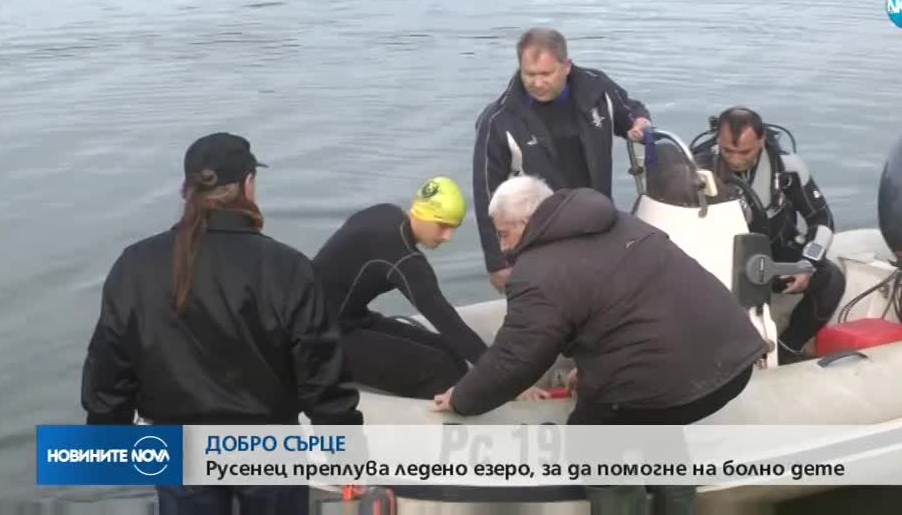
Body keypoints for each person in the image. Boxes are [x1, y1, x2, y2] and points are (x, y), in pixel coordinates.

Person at [433, 176, 768, 513]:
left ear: (526, 222)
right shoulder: (622, 222)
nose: (503, 247)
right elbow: (624, 309)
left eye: (504, 234)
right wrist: (594, 367)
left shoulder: (536, 272)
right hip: (732, 357)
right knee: (659, 425)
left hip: (668, 381)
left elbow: (516, 359)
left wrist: (462, 398)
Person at [81, 132, 362, 515]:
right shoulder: (287, 267)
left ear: (187, 190)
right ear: (248, 184)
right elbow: (322, 371)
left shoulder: (136, 265)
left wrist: (107, 434)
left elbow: (110, 363)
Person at [313, 176, 534, 400]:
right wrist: (505, 380)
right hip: (319, 339)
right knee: (441, 370)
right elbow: (447, 321)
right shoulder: (403, 258)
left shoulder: (385, 213)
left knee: (450, 352)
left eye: (453, 228)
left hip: (348, 319)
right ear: (423, 214)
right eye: (443, 225)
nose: (447, 236)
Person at [473, 27, 655, 292]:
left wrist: (640, 123)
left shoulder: (597, 89)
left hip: (596, 225)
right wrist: (497, 262)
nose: (537, 83)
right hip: (539, 240)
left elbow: (630, 112)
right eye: (529, 75)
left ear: (566, 66)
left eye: (545, 74)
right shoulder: (498, 121)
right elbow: (485, 195)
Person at [694, 106, 846, 362]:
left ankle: (788, 349)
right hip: (717, 263)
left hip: (772, 259)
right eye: (728, 151)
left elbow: (822, 219)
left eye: (745, 152)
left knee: (831, 280)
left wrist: (807, 264)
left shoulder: (788, 168)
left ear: (762, 140)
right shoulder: (695, 169)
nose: (736, 159)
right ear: (718, 141)